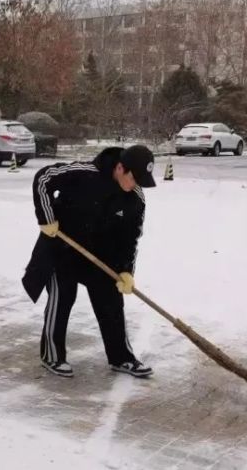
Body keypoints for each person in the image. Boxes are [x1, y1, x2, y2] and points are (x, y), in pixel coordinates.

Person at [22, 145, 156, 379]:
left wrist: (126, 271)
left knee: (111, 303)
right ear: (120, 167)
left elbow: (130, 238)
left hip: (100, 258)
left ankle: (121, 357)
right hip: (62, 248)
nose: (134, 185)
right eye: (133, 178)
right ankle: (52, 354)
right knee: (63, 296)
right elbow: (43, 178)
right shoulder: (84, 173)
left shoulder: (135, 200)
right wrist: (46, 218)